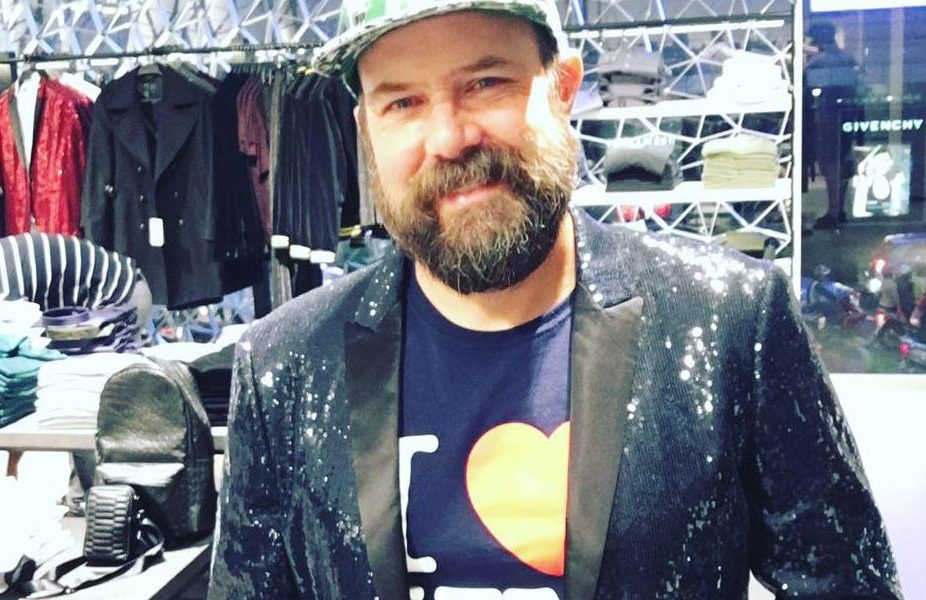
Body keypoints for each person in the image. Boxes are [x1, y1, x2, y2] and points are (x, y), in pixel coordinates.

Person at [209, 2, 902, 598]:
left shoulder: (730, 319)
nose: (448, 138)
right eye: (403, 103)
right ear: (366, 130)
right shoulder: (284, 363)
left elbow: (848, 582)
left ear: (563, 88)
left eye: (485, 83)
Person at [804, 21, 859, 230]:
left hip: (826, 116)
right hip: (847, 115)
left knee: (829, 164)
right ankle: (838, 209)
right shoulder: (847, 58)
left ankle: (834, 212)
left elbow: (805, 88)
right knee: (842, 160)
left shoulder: (817, 63)